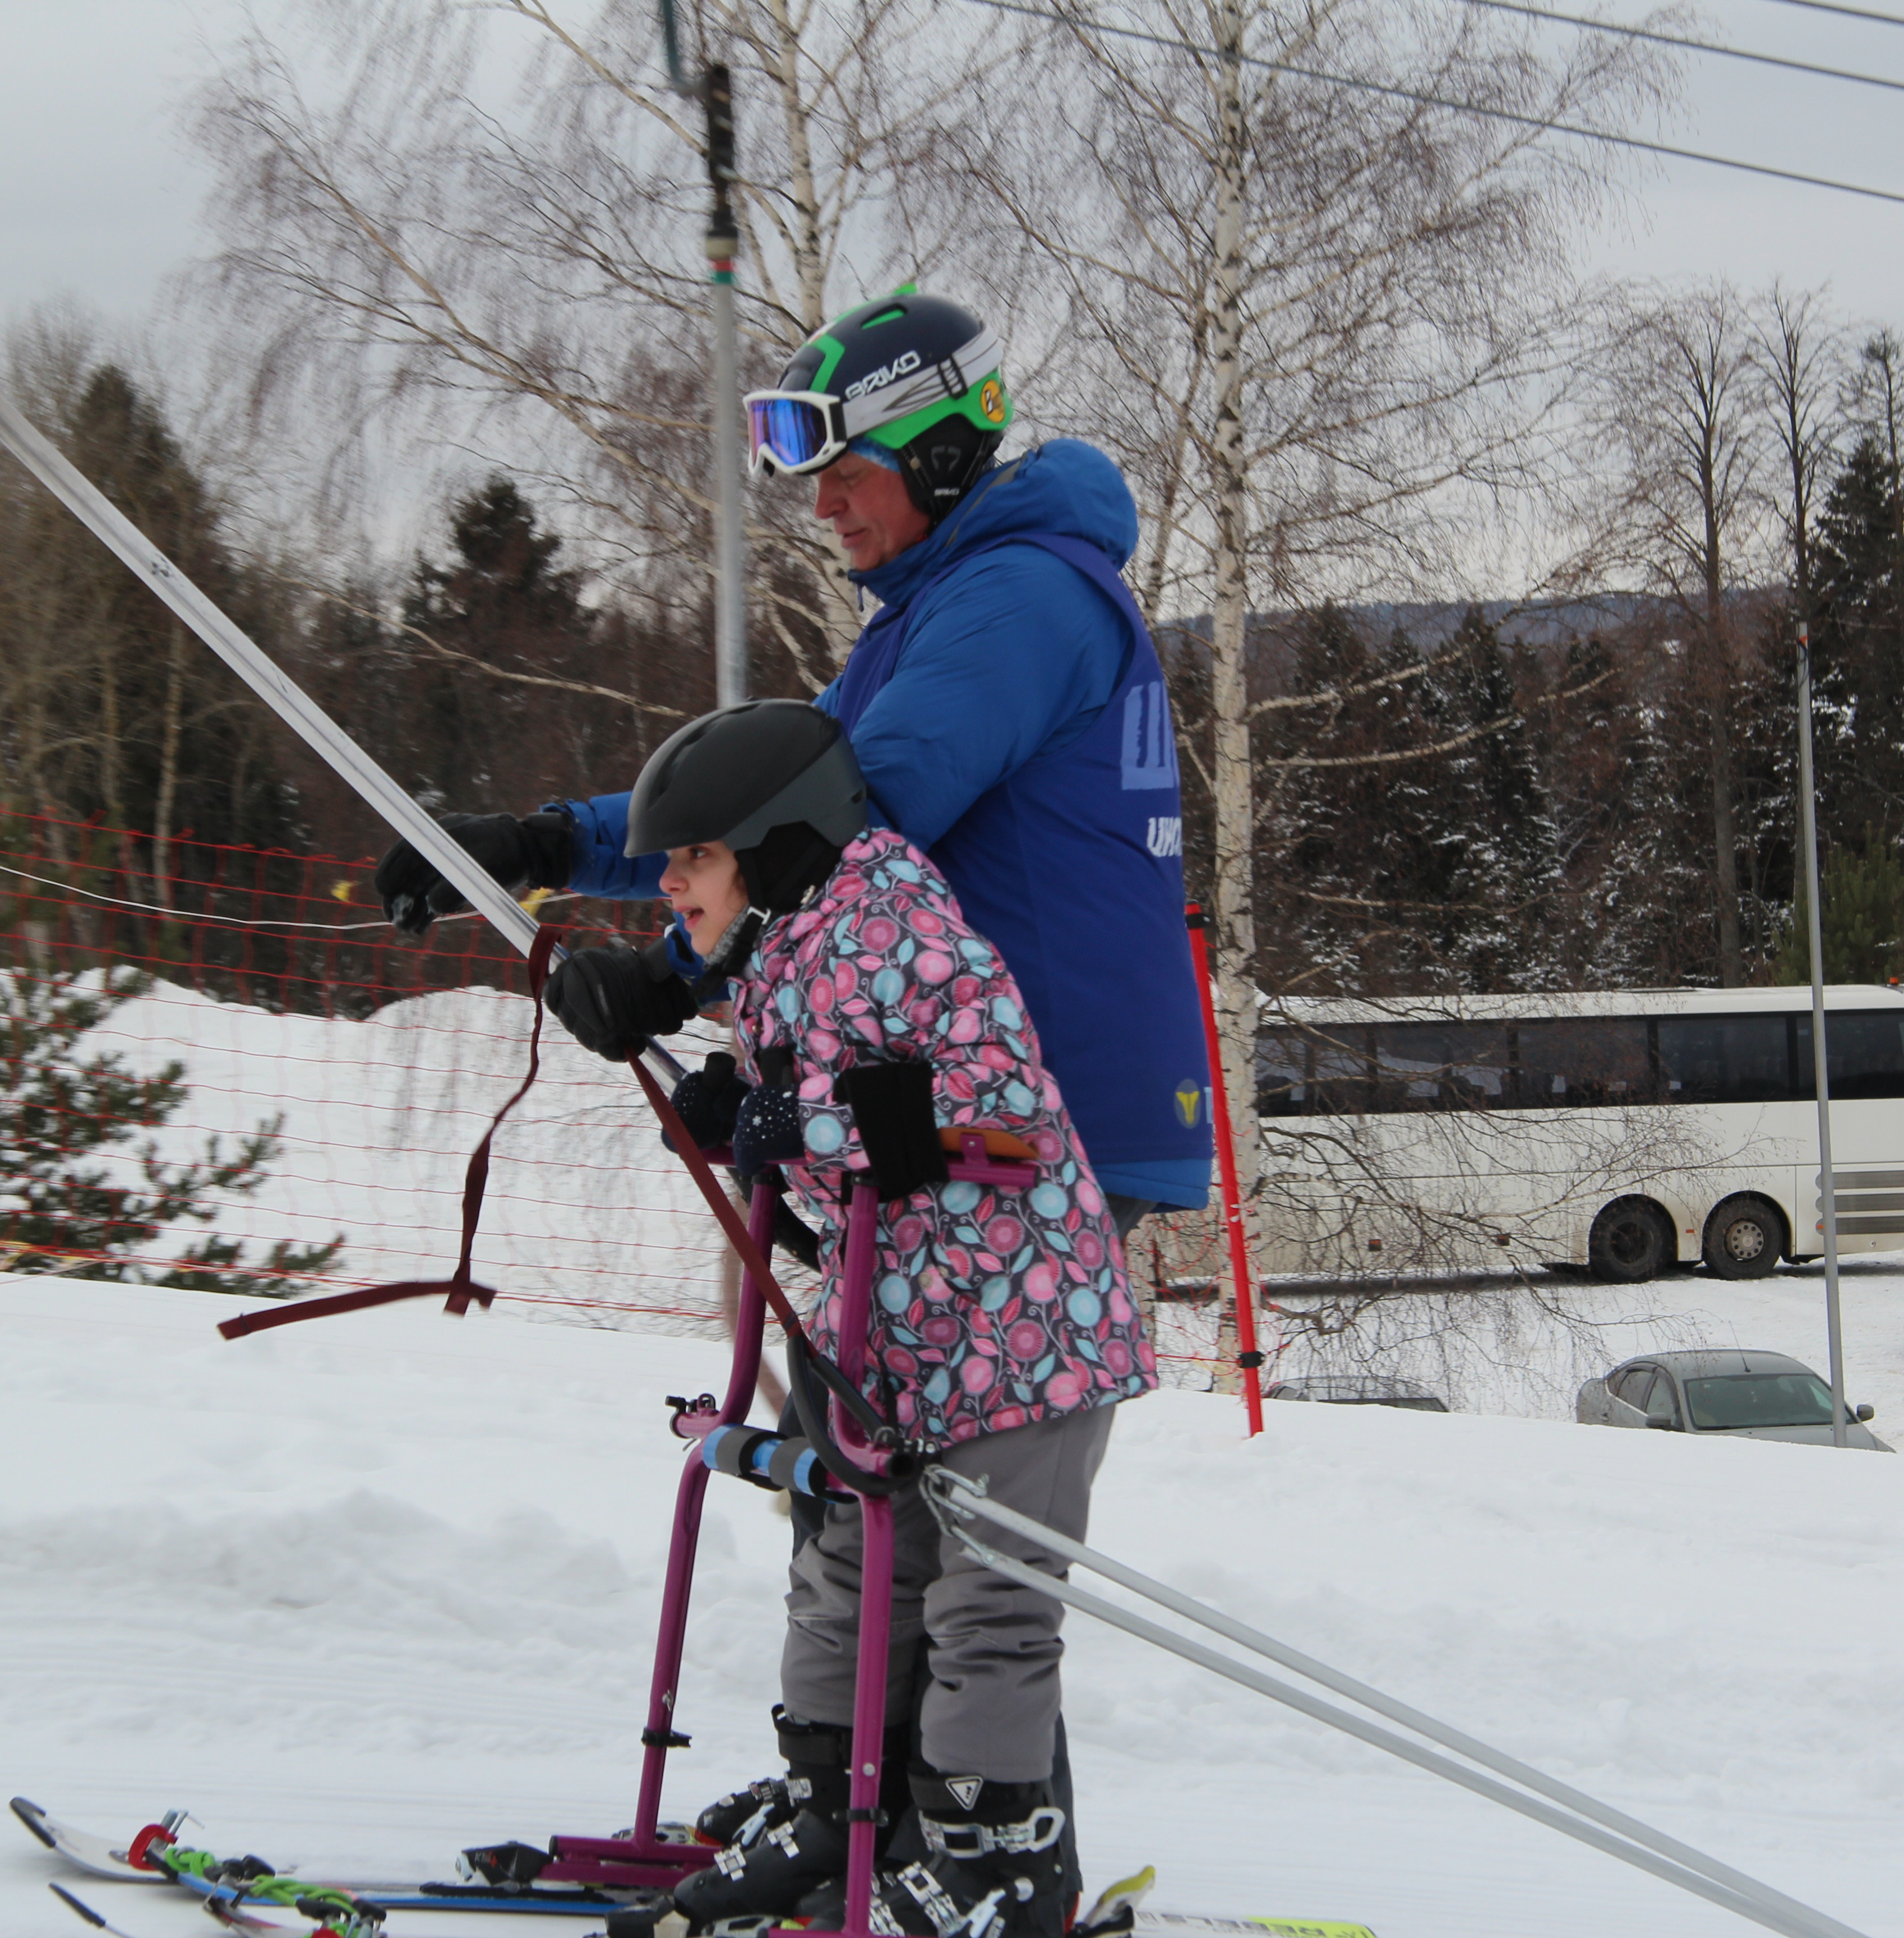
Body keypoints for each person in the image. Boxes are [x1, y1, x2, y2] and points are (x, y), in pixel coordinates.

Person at [372, 288, 1212, 1233]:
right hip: (981, 1094)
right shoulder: (934, 611)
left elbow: (841, 836)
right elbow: (760, 803)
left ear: (936, 452)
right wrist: (548, 846)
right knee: (850, 1381)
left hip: (1046, 1102)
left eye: (848, 470)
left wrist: (669, 975)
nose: (822, 505)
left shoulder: (1023, 599)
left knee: (905, 1385)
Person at [607, 699, 1154, 1938]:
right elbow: (848, 1109)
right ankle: (836, 1811)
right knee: (855, 1571)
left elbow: (992, 1116)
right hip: (906, 1342)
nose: (670, 883)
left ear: (772, 839)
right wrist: (738, 1107)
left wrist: (796, 1123)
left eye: (692, 855)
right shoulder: (794, 944)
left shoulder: (890, 926)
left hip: (1023, 1337)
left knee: (990, 1607)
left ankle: (986, 1861)